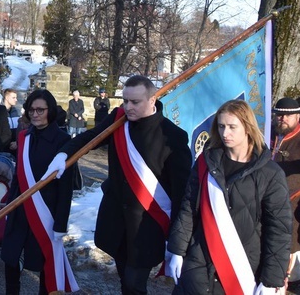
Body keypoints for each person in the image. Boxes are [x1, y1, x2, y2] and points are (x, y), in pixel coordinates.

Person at [45, 75, 192, 294]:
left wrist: (177, 239)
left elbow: (181, 192)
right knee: (125, 280)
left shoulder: (173, 136)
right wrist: (64, 154)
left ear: (152, 100)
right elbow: (91, 137)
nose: (128, 107)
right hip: (116, 219)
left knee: (135, 283)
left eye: (135, 102)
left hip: (148, 224)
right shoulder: (118, 119)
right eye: (125, 101)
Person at [166, 99, 291, 293]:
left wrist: (271, 280)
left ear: (248, 127)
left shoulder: (271, 173)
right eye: (221, 126)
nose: (225, 133)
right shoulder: (204, 164)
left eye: (232, 127)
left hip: (243, 267)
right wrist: (177, 250)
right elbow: (189, 209)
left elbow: (278, 230)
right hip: (199, 262)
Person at [1, 90, 78, 295]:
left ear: (50, 111)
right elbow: (18, 176)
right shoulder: (24, 137)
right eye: (31, 110)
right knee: (10, 260)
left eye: (40, 110)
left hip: (46, 212)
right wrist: (10, 205)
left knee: (45, 264)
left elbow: (65, 187)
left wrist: (61, 222)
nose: (35, 114)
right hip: (20, 209)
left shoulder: (63, 140)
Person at [269, 97, 300, 286]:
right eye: (279, 115)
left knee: (288, 243)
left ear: (298, 116)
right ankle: (291, 276)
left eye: (287, 115)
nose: (282, 119)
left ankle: (286, 279)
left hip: (295, 201)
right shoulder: (268, 134)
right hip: (267, 198)